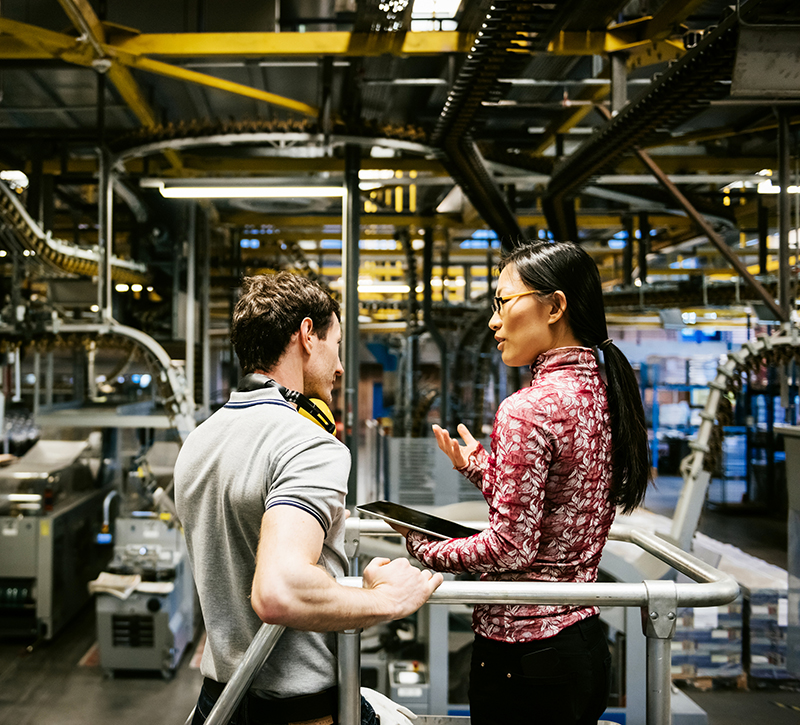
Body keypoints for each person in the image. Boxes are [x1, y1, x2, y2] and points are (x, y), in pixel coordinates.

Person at [392, 240, 651, 725]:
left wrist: (424, 549)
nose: (493, 321)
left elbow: (512, 546)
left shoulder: (527, 408)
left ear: (554, 306)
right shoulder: (602, 392)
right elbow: (555, 509)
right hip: (580, 649)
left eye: (503, 302)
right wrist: (480, 468)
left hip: (523, 663)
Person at [174, 271, 443, 725]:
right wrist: (389, 600)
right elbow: (279, 590)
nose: (340, 367)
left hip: (220, 702)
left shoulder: (200, 441)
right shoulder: (310, 444)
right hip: (300, 712)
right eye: (336, 345)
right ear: (306, 336)